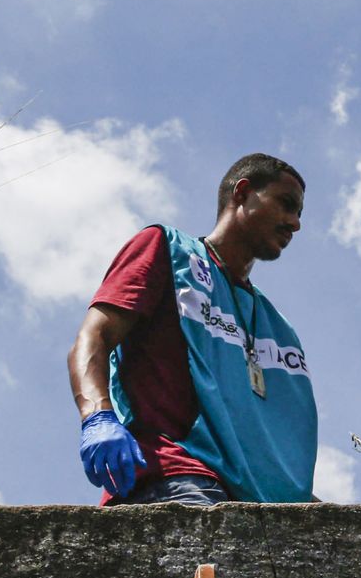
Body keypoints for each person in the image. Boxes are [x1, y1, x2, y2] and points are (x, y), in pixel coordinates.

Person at [67, 153, 316, 505]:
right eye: (286, 205)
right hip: (175, 475)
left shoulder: (278, 327)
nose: (295, 223)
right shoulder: (167, 250)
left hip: (252, 499)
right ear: (242, 193)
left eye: (299, 214)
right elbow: (95, 336)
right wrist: (98, 416)